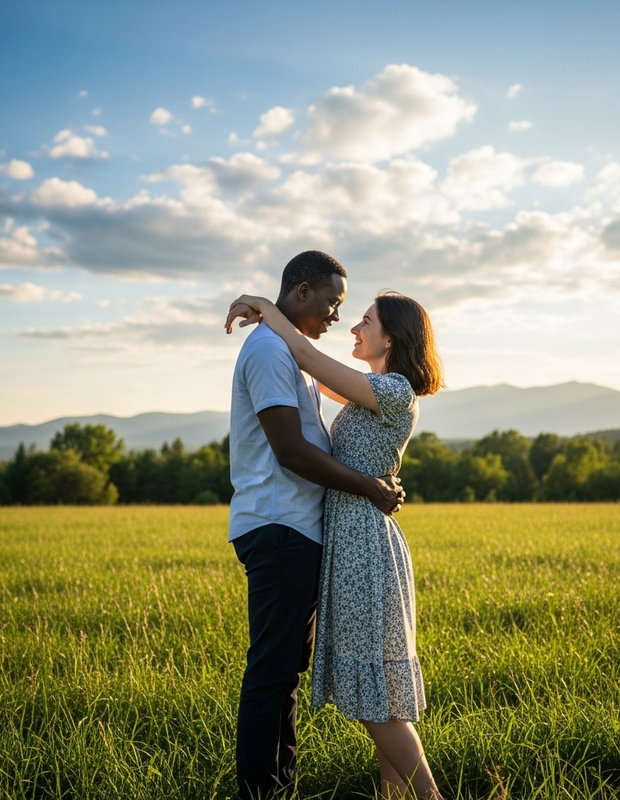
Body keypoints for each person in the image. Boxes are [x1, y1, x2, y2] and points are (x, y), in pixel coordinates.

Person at [226, 287, 445, 799]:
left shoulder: (392, 392)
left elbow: (305, 355)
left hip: (363, 544)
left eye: (365, 321)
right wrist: (276, 319)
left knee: (374, 697)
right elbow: (310, 376)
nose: (354, 327)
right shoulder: (371, 389)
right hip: (351, 537)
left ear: (393, 338)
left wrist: (265, 305)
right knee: (380, 692)